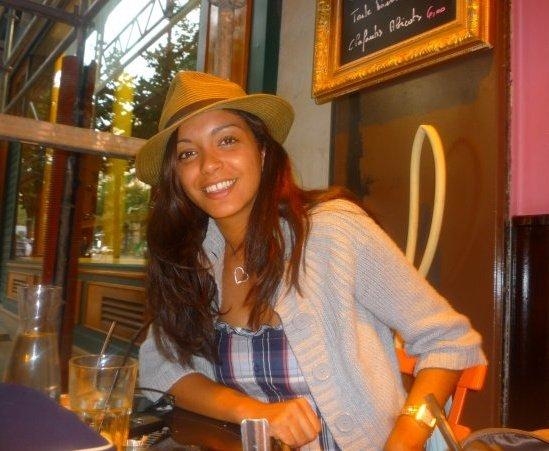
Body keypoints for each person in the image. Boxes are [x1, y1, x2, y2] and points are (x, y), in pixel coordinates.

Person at [136, 71, 487, 450]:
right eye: (188, 153)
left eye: (227, 140)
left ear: (262, 152)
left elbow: (448, 339)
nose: (209, 165)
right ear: (177, 175)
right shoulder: (195, 258)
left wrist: (405, 440)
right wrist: (252, 410)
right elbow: (161, 366)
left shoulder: (332, 231)